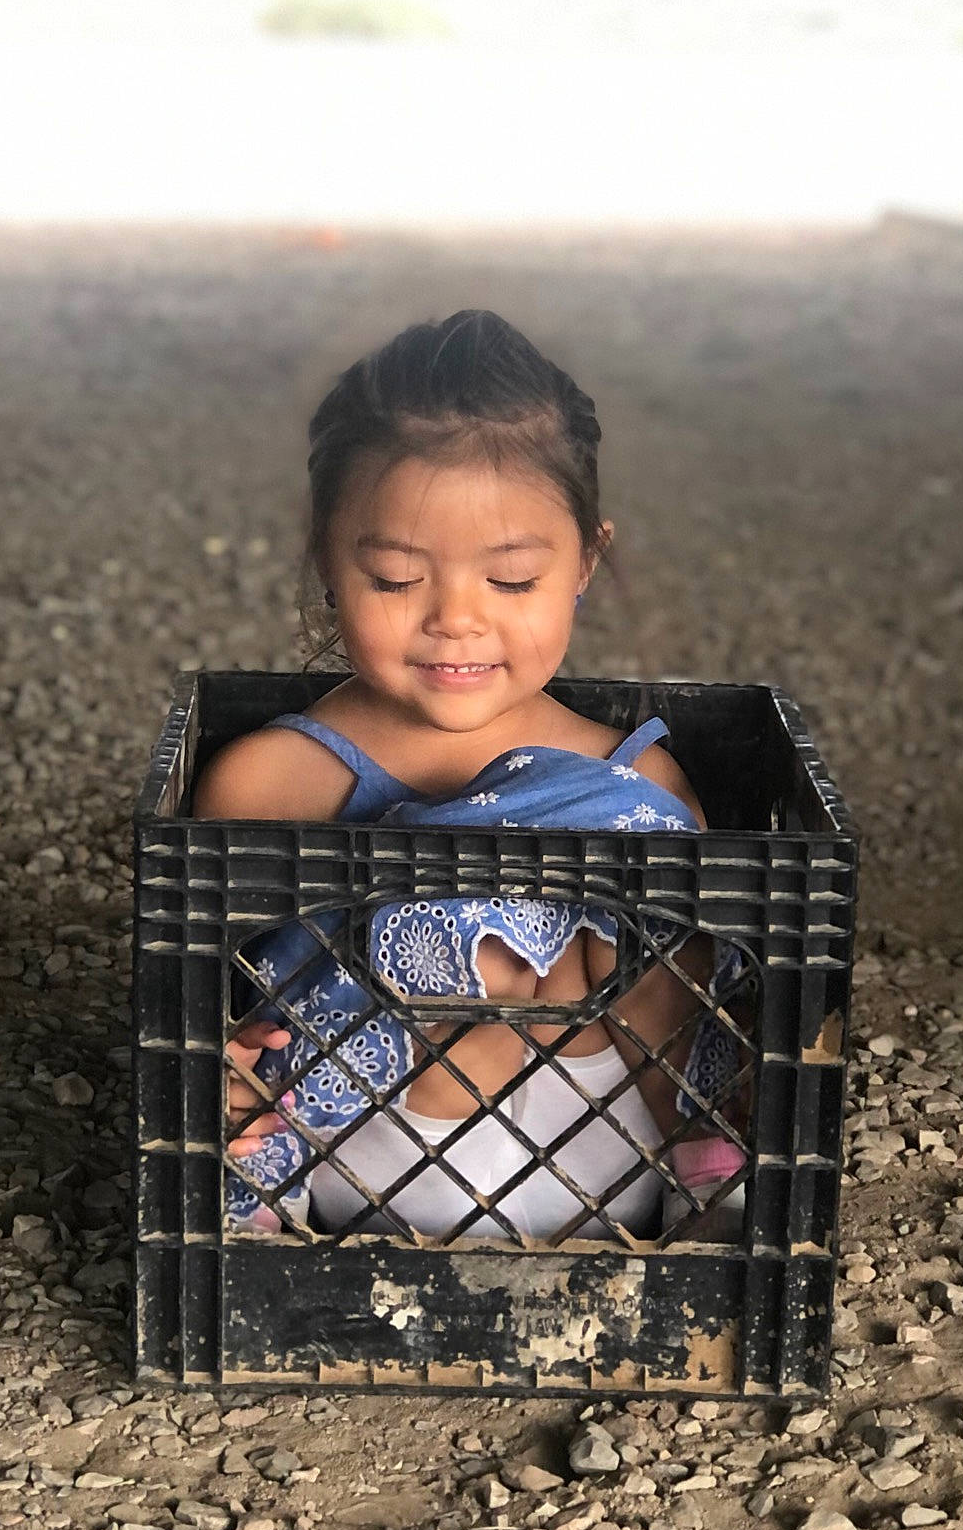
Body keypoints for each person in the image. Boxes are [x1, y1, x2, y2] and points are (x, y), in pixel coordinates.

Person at [192, 309, 748, 1243]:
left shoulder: (634, 774)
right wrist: (227, 1070)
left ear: (586, 561)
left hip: (613, 1156)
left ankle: (714, 1198)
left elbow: (701, 1011)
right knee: (467, 910)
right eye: (396, 579)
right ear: (328, 557)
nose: (456, 619)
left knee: (642, 872)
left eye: (512, 580)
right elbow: (209, 1002)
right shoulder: (273, 780)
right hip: (376, 1159)